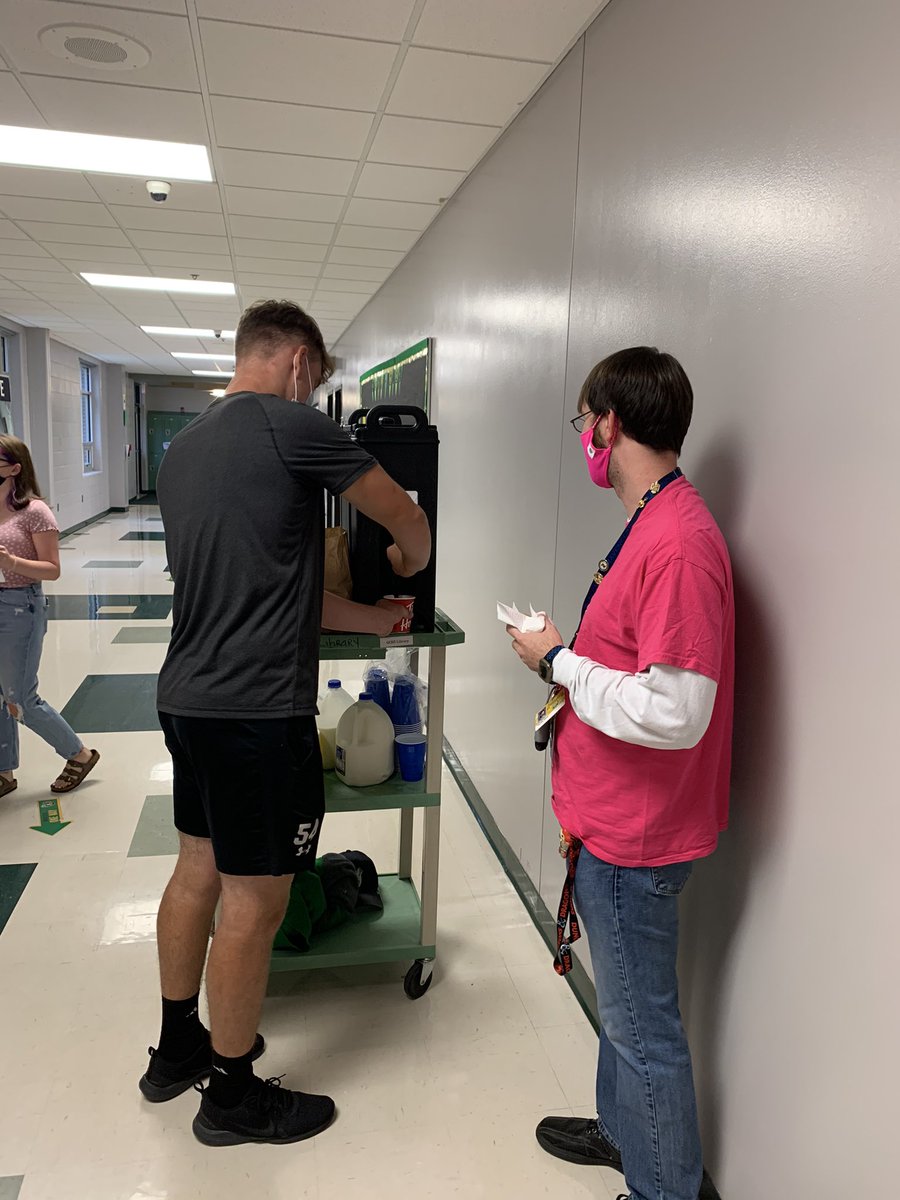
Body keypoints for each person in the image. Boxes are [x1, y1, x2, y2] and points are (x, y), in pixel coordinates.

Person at [140, 300, 431, 1149]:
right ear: (300, 361)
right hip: (256, 712)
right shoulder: (290, 424)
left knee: (197, 867)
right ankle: (231, 1098)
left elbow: (266, 584)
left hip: (187, 698)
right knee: (254, 899)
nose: (313, 392)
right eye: (317, 379)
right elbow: (405, 515)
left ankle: (178, 1047)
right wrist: (408, 560)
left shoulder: (186, 449)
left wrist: (376, 621)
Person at [506, 348, 734, 1200]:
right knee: (624, 1011)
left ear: (609, 423)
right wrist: (564, 659)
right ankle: (621, 1132)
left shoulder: (677, 542)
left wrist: (557, 661)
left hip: (637, 841)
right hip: (607, 820)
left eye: (586, 422)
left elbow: (676, 711)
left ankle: (662, 1188)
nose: (586, 440)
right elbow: (635, 664)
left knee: (643, 1033)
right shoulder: (652, 517)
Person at [0, 435, 100, 799]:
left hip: (19, 605)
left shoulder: (35, 512)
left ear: (14, 468)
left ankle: (79, 754)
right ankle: (3, 770)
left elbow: (52, 569)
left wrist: (10, 562)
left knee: (20, 698)